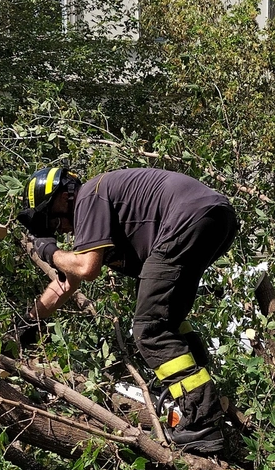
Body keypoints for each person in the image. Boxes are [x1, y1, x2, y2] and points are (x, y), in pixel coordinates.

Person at [16, 166, 239, 454]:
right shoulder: (97, 212)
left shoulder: (87, 198)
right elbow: (67, 284)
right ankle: (203, 394)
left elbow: (86, 268)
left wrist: (49, 252)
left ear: (63, 196)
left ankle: (202, 421)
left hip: (188, 218)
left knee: (149, 329)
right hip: (215, 217)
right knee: (165, 318)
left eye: (51, 219)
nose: (59, 229)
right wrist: (28, 322)